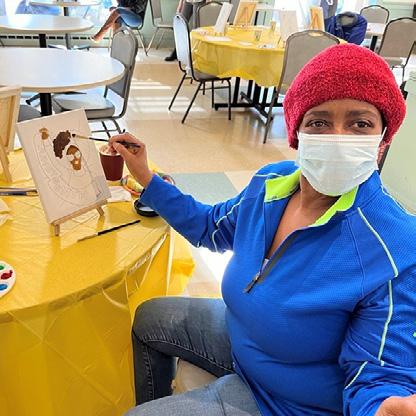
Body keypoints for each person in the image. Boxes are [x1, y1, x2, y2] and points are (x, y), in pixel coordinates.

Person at [110, 44, 416, 416]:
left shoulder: (397, 248)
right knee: (149, 318)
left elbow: (379, 375)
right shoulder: (270, 185)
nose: (338, 137)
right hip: (245, 340)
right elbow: (209, 227)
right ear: (296, 131)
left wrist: (382, 407)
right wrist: (146, 176)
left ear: (383, 140)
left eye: (360, 124)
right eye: (319, 122)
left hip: (286, 403)